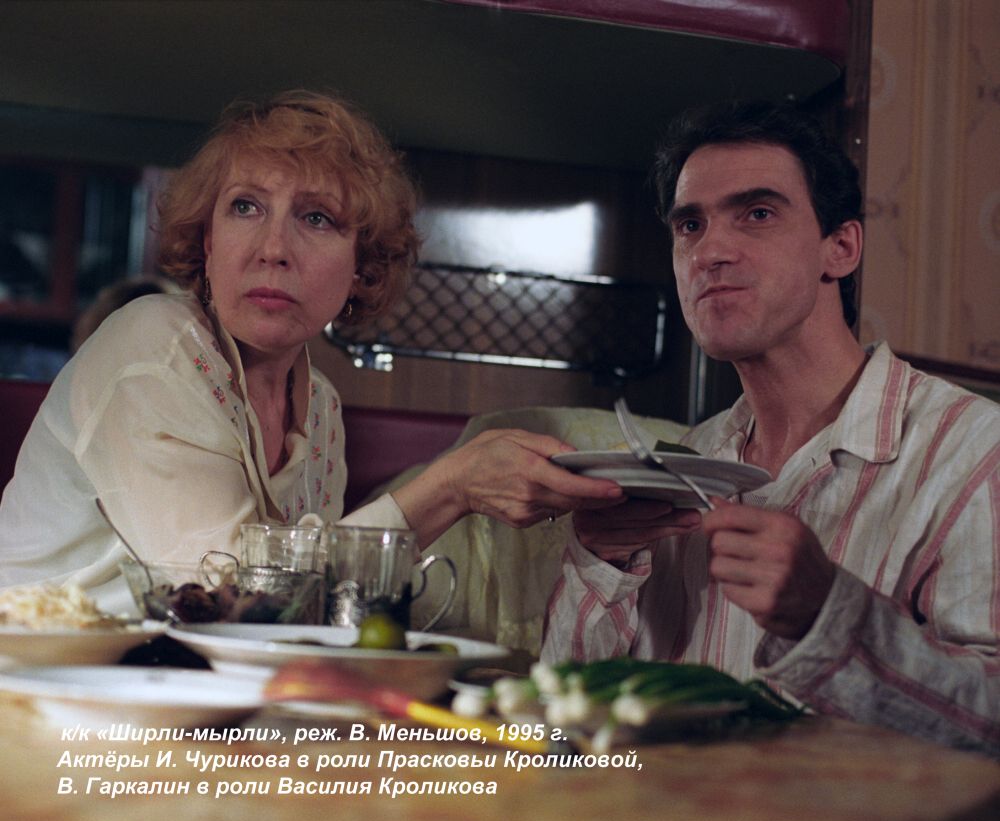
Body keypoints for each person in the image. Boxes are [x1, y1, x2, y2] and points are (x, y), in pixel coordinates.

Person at [0, 90, 621, 613]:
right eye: (245, 207)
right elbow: (228, 598)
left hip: (172, 685)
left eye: (317, 218)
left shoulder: (319, 406)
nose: (273, 248)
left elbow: (306, 609)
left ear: (361, 267)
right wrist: (451, 488)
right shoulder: (151, 346)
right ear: (208, 242)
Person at [541, 100, 1000, 757]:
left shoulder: (978, 454)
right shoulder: (673, 469)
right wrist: (598, 561)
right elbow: (561, 729)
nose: (710, 252)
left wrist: (830, 617)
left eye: (757, 213)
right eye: (690, 225)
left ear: (840, 248)